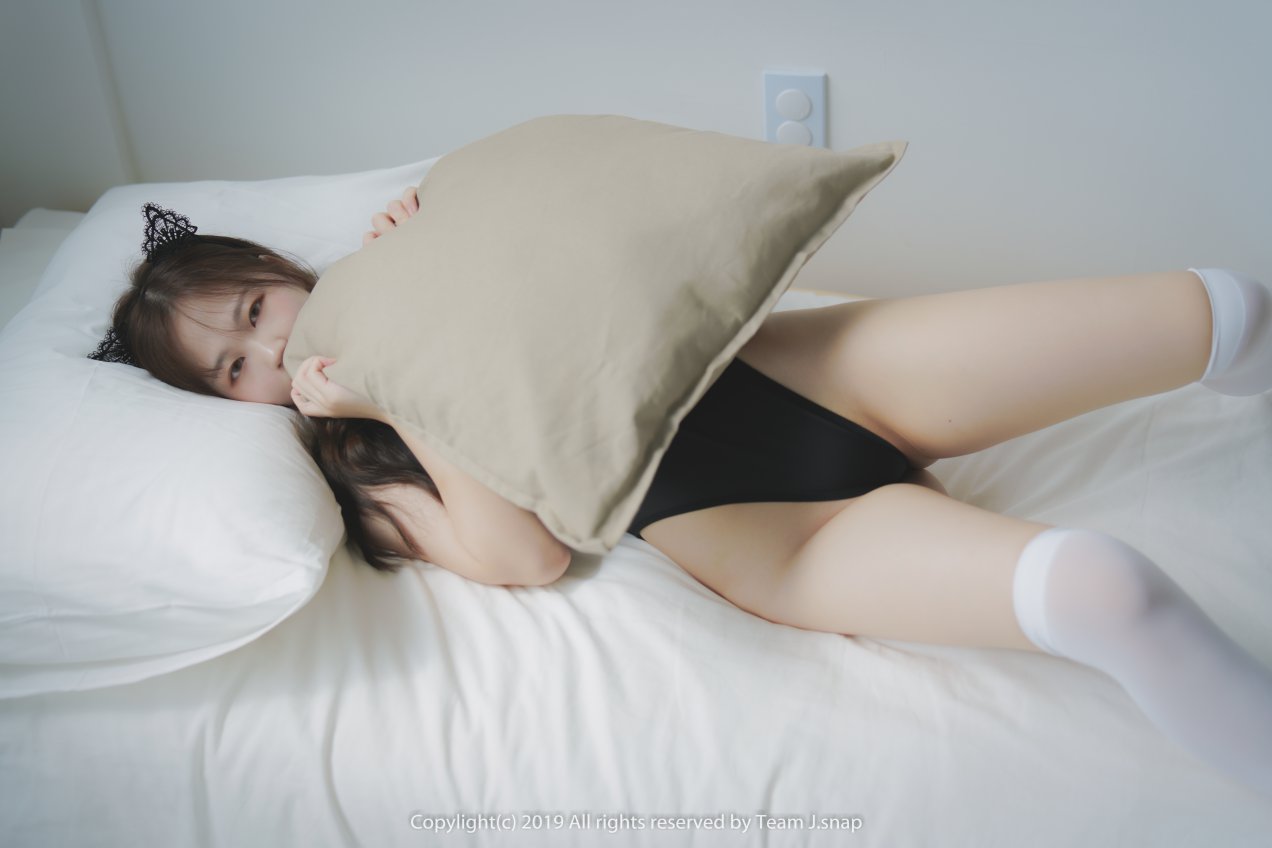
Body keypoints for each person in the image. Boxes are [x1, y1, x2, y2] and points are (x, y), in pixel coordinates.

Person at [91, 194, 1272, 799]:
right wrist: (393, 391)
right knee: (1106, 588)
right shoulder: (359, 466)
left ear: (277, 272)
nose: (268, 353)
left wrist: (430, 251)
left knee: (1228, 307)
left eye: (256, 313)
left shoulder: (410, 255)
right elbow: (522, 555)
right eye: (232, 371)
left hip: (810, 370)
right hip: (762, 522)